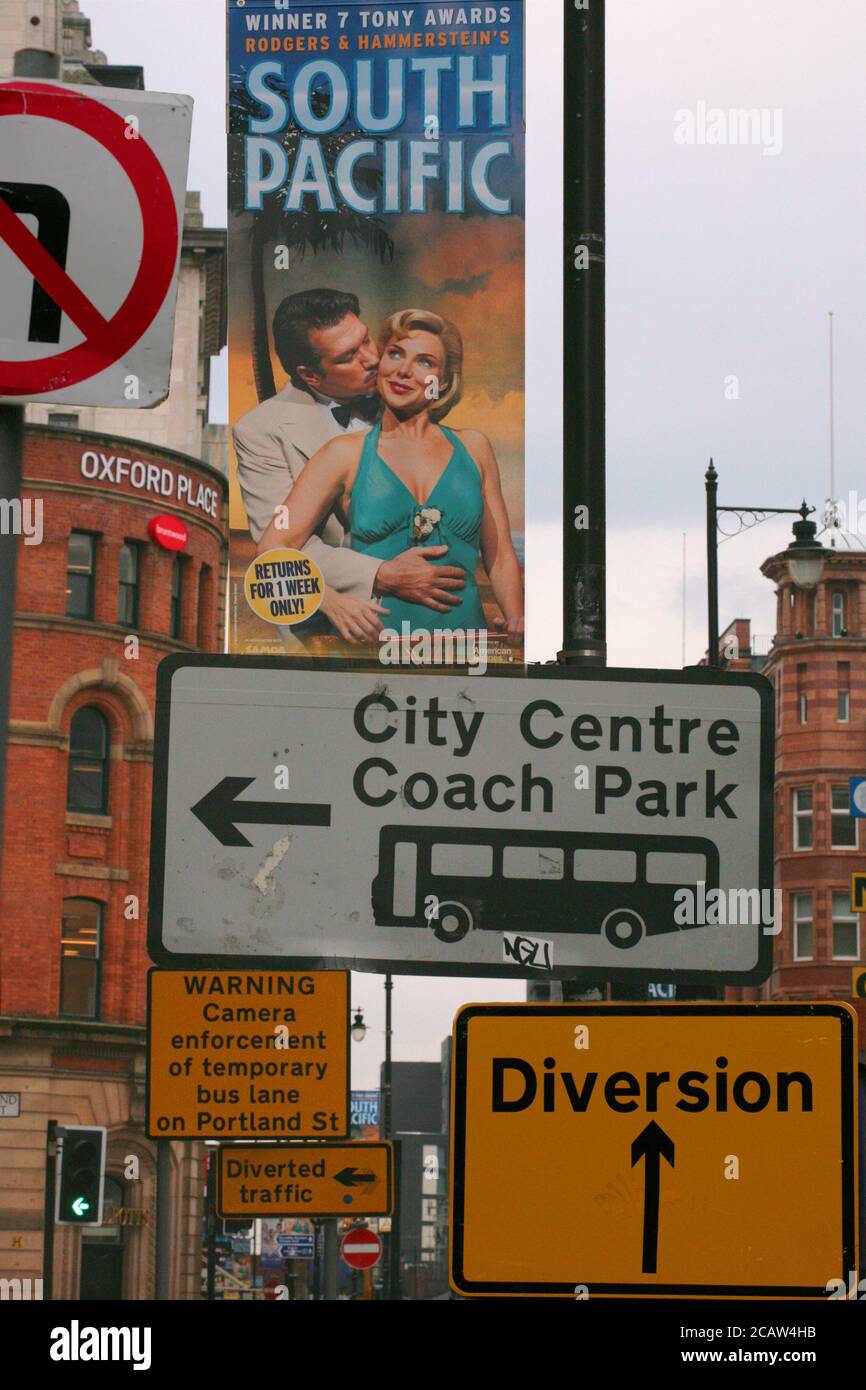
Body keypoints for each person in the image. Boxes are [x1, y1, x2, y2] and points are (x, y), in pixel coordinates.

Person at [257, 308, 524, 645]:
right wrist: (329, 601)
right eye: (395, 354)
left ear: (442, 382)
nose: (403, 370)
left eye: (425, 362)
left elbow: (499, 558)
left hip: (463, 651)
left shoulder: (474, 448)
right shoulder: (344, 454)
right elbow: (270, 551)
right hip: (375, 655)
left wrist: (516, 619)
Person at [233, 289, 467, 639]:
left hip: (430, 620)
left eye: (367, 340)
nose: (372, 358)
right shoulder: (260, 430)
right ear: (310, 375)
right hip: (328, 630)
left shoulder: (403, 392)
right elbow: (279, 551)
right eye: (348, 356)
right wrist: (380, 574)